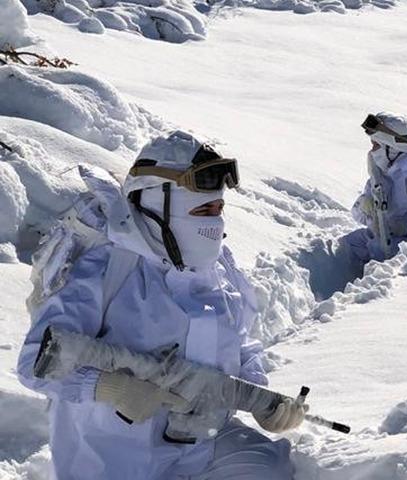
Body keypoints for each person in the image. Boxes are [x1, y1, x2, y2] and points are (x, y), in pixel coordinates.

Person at [16, 130, 306, 480]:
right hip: (115, 460)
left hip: (201, 445)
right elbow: (33, 362)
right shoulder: (106, 266)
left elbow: (241, 342)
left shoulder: (219, 267)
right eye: (202, 210)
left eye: (218, 209)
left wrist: (259, 398)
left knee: (272, 469)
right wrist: (109, 388)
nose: (214, 222)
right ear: (157, 204)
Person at [346, 112, 407, 262]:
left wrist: (405, 228)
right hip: (380, 238)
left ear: (392, 146)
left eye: (376, 145)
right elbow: (359, 216)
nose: (372, 151)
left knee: (382, 255)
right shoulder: (381, 170)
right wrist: (364, 205)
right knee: (347, 245)